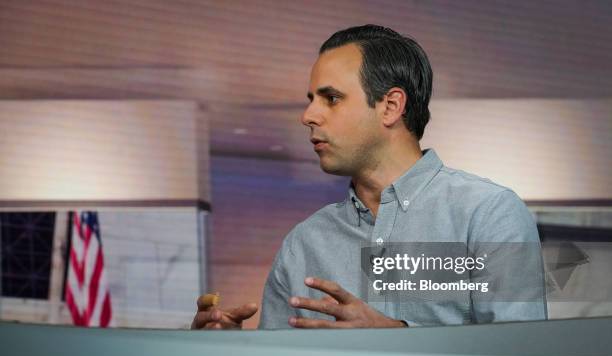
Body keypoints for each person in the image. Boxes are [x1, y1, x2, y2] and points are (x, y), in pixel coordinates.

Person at [191, 25, 547, 330]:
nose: (308, 115)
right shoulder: (303, 243)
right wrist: (232, 352)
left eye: (331, 98)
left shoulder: (487, 214)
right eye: (311, 99)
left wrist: (395, 337)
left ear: (391, 106)